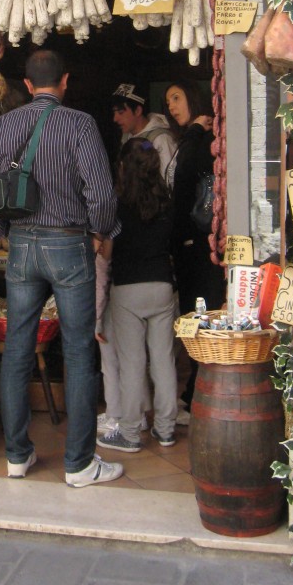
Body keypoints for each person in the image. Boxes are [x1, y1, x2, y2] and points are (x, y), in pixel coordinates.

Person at [0, 50, 124, 488]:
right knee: (78, 353)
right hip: (70, 244)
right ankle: (79, 464)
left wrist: (4, 233)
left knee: (17, 350)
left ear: (25, 84)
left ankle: (16, 457)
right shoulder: (79, 125)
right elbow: (101, 192)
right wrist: (100, 232)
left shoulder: (2, 126)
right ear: (64, 82)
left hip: (22, 245)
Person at [95, 137, 177, 452]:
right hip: (161, 286)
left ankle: (129, 433)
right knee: (163, 360)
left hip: (128, 289)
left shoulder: (117, 205)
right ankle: (166, 429)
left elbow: (109, 253)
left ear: (123, 168)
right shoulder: (167, 201)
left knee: (132, 363)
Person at [164, 79, 226, 406]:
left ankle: (200, 388)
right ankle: (197, 387)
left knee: (199, 313)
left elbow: (186, 173)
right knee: (193, 314)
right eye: (168, 101)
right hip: (194, 242)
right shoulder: (196, 136)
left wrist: (193, 136)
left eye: (176, 97)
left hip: (202, 243)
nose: (172, 106)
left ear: (193, 96)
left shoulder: (203, 137)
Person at [111, 83, 178, 183]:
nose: (115, 119)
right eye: (114, 113)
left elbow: (170, 181)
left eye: (121, 112)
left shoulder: (161, 138)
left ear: (137, 110)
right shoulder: (126, 137)